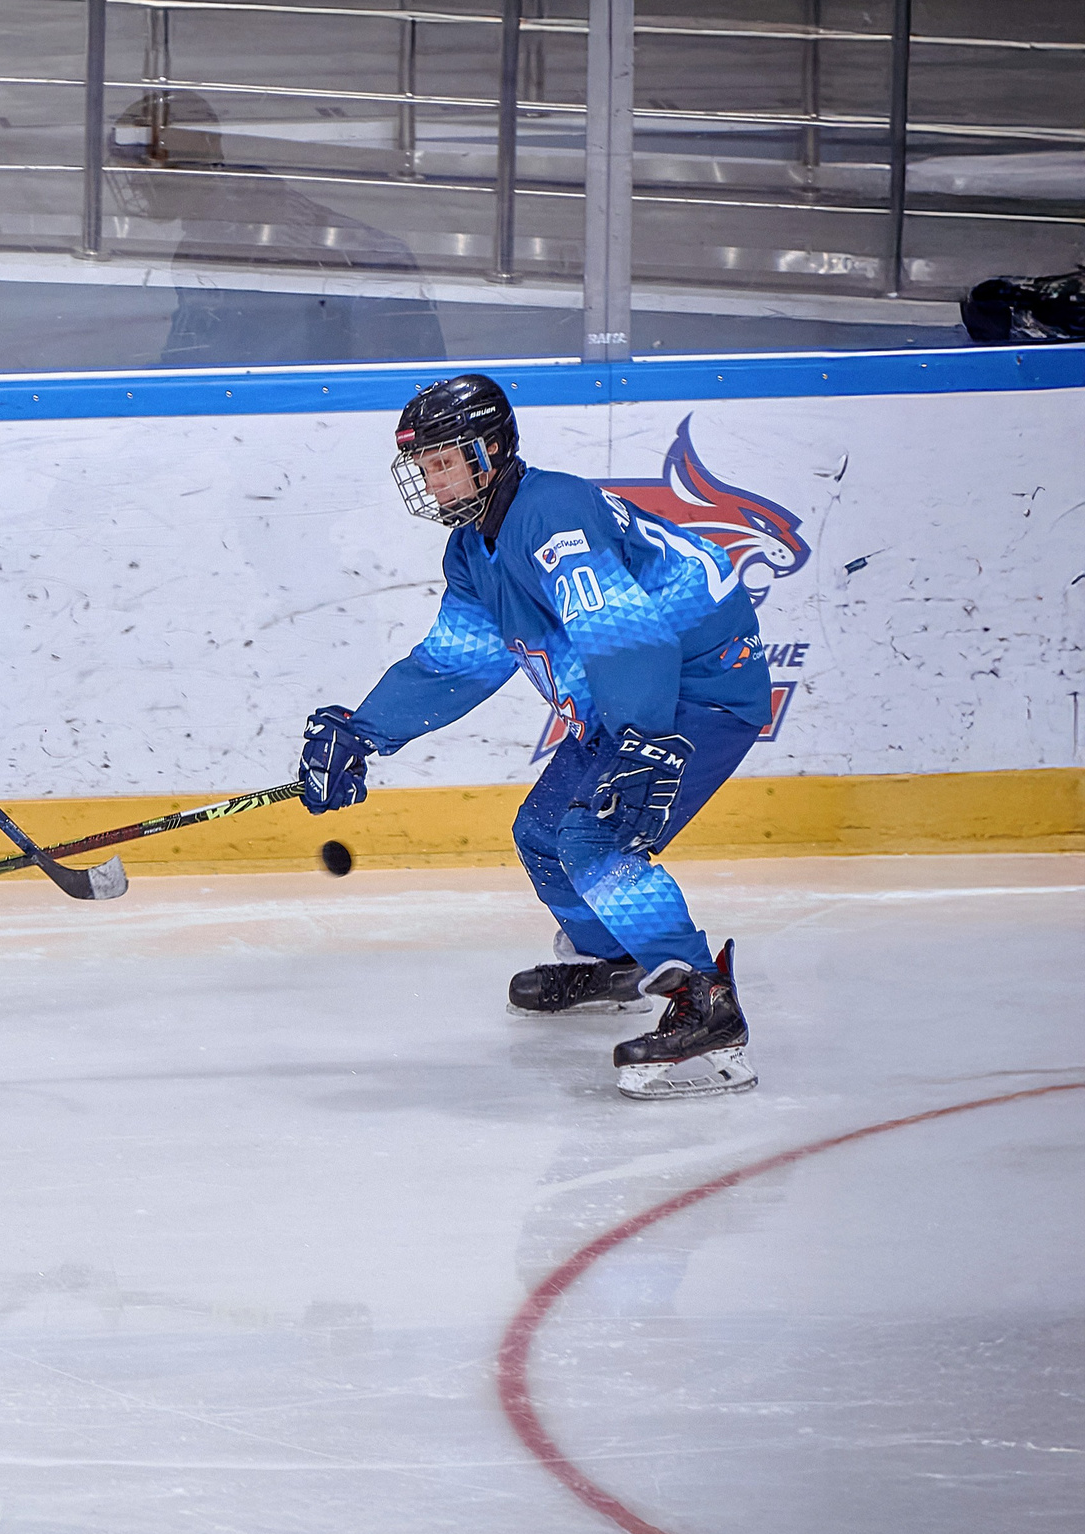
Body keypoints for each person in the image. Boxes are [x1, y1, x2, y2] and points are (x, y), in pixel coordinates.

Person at [295, 374, 772, 1099]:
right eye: (423, 467)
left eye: (444, 461)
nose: (431, 479)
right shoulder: (471, 552)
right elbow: (455, 666)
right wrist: (364, 732)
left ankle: (706, 1003)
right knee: (542, 832)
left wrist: (642, 739)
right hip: (628, 703)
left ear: (490, 451)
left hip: (697, 692)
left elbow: (626, 636)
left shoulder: (552, 512)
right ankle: (616, 960)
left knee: (596, 841)